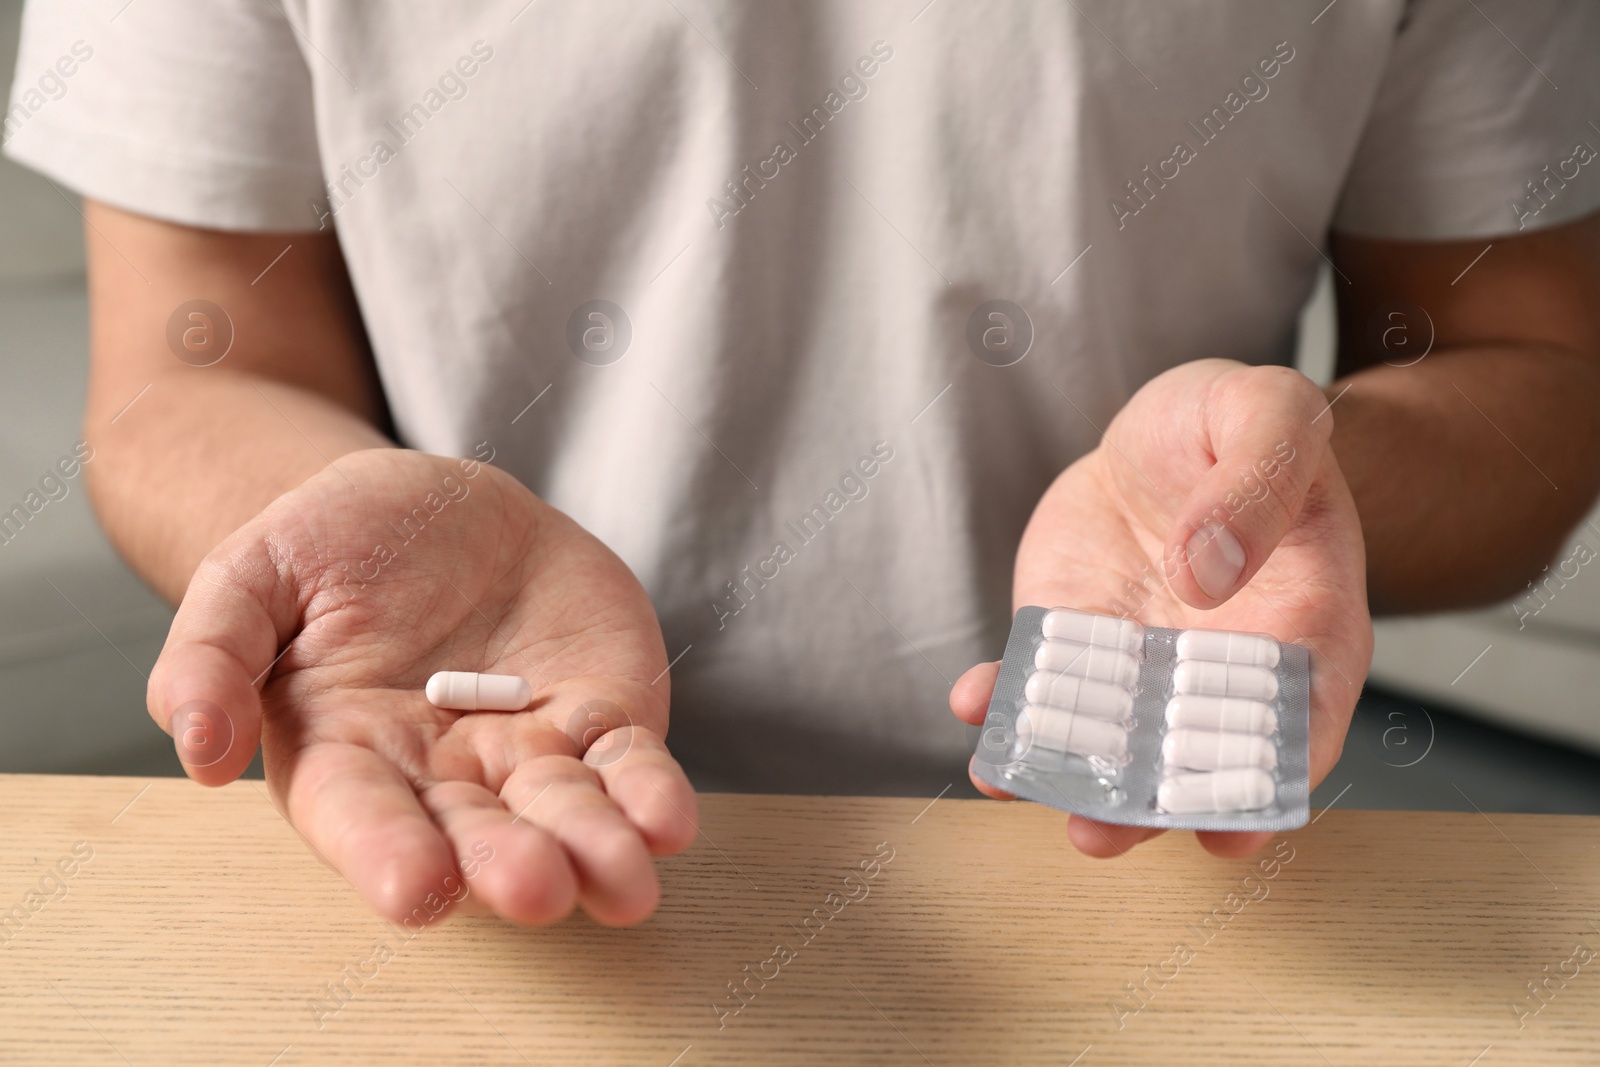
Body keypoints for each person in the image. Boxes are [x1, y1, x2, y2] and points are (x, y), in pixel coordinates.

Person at [6, 0, 1598, 927]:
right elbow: (186, 363)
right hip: (470, 841)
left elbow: (1528, 370)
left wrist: (1269, 504)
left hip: (1131, 854)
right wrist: (329, 518)